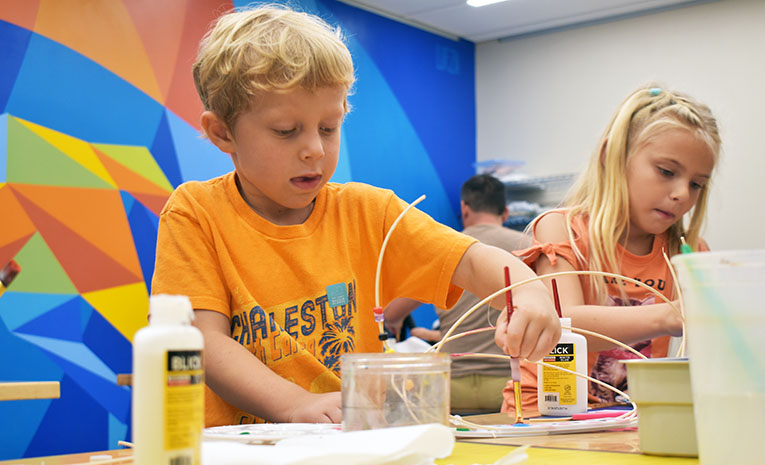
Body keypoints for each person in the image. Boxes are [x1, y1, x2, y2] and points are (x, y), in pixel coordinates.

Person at [151, 4, 561, 427]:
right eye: (286, 131)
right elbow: (203, 340)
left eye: (329, 127)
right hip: (242, 462)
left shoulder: (369, 211)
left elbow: (473, 261)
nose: (314, 148)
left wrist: (527, 290)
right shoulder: (196, 213)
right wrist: (294, 404)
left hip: (352, 448)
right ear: (222, 133)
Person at [511, 84, 720, 405]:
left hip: (631, 420)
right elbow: (562, 325)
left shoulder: (688, 251)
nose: (682, 194)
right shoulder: (561, 228)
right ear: (612, 157)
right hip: (546, 415)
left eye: (696, 184)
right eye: (666, 172)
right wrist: (669, 316)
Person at [386, 174, 535, 414]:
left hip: (450, 387)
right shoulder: (529, 246)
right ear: (506, 213)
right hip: (509, 383)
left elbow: (389, 313)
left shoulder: (446, 250)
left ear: (464, 208)